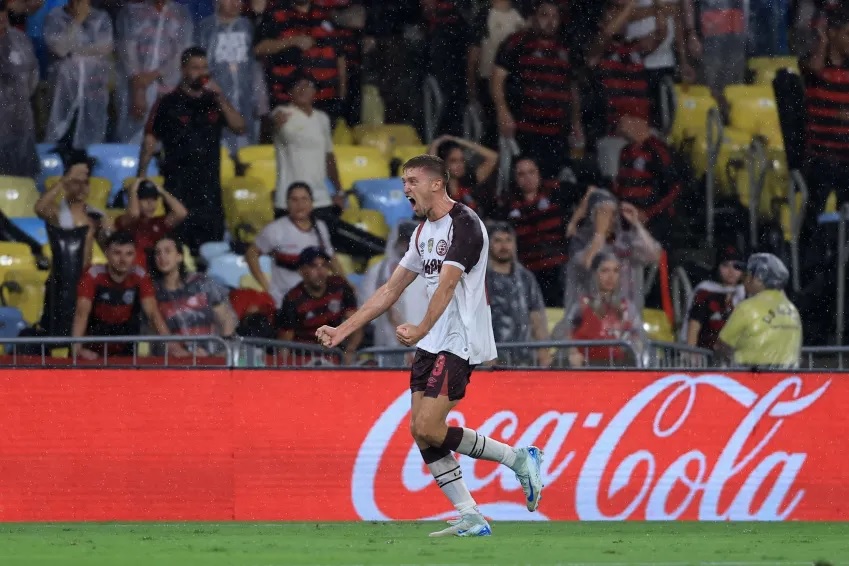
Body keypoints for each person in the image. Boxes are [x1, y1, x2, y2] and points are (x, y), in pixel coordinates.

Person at [315, 155, 544, 538]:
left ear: (437, 184)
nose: (405, 188)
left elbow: (449, 283)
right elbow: (391, 288)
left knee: (428, 425)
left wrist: (421, 327)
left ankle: (518, 458)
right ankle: (470, 513)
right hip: (434, 340)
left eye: (411, 181)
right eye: (404, 181)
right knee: (421, 431)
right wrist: (343, 329)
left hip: (460, 339)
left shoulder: (466, 225)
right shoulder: (423, 233)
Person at [139, 46, 246, 254]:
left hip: (209, 191)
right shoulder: (167, 102)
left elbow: (240, 127)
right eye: (195, 68)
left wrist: (220, 97)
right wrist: (141, 174)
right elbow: (150, 139)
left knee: (211, 249)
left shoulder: (214, 101)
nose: (201, 72)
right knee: (180, 248)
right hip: (178, 188)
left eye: (205, 67)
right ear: (183, 69)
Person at [491, 0, 582, 179]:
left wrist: (576, 121)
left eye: (555, 16)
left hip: (557, 131)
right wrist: (502, 111)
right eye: (545, 15)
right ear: (534, 17)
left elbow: (572, 88)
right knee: (524, 177)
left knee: (554, 181)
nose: (550, 21)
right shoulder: (517, 42)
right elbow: (497, 79)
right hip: (526, 128)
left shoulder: (566, 47)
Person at [71, 231, 189, 360]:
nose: (123, 259)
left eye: (129, 254)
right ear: (106, 253)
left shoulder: (140, 275)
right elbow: (81, 313)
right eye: (117, 253)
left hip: (125, 349)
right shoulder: (93, 275)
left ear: (135, 255)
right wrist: (77, 350)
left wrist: (173, 347)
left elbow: (153, 313)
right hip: (93, 349)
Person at [562, 188, 661, 315]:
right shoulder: (580, 241)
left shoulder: (626, 241)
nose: (609, 218)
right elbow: (586, 266)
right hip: (589, 319)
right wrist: (599, 235)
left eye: (613, 213)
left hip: (625, 319)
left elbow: (653, 255)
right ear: (592, 215)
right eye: (603, 212)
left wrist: (636, 224)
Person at [246, 182, 344, 307]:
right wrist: (267, 287)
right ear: (287, 204)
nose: (300, 205)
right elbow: (251, 254)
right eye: (294, 200)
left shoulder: (320, 227)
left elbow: (331, 259)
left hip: (317, 300)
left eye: (304, 199)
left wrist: (345, 283)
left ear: (311, 203)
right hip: (286, 301)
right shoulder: (276, 229)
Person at [801, 6, 849, 248]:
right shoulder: (815, 66)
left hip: (846, 159)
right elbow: (814, 68)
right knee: (814, 215)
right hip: (820, 158)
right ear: (833, 33)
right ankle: (806, 265)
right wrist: (822, 40)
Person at [114, 0, 193, 143]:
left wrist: (156, 74)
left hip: (167, 87)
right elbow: (127, 51)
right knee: (132, 138)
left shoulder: (181, 14)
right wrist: (139, 88)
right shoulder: (132, 12)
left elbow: (181, 53)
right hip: (134, 87)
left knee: (166, 137)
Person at [253, 0, 346, 118]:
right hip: (287, 103)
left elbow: (340, 57)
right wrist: (292, 41)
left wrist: (342, 96)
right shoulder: (276, 14)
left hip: (325, 102)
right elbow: (258, 48)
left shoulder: (326, 15)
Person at [271, 69, 342, 217]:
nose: (303, 89)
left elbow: (328, 156)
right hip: (289, 200)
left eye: (308, 85)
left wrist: (338, 191)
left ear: (315, 91)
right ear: (289, 92)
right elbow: (271, 124)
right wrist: (274, 123)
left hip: (321, 198)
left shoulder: (322, 118)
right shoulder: (281, 112)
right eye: (298, 86)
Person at [43, 0, 113, 148]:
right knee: (60, 142)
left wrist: (73, 52)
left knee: (92, 145)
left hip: (93, 94)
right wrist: (77, 21)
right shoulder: (55, 17)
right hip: (63, 95)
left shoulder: (101, 18)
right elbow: (60, 48)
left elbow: (104, 47)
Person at [151, 234, 238, 355]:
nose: (162, 256)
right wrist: (186, 355)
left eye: (167, 251)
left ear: (179, 257)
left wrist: (221, 352)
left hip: (213, 357)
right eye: (157, 253)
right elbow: (158, 333)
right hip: (176, 361)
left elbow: (226, 319)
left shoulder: (202, 282)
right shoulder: (153, 292)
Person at [715, 253, 802, 369]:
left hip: (752, 379)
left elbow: (721, 345)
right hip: (786, 380)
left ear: (758, 279)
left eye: (747, 275)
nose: (744, 279)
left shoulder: (747, 308)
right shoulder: (792, 310)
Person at [195, 0, 261, 154]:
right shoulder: (205, 28)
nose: (235, 3)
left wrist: (259, 100)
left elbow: (256, 67)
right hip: (215, 104)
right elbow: (197, 68)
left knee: (247, 155)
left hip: (247, 103)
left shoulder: (249, 27)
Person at [276, 246, 360, 365]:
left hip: (335, 357)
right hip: (303, 360)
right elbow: (285, 343)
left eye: (324, 265)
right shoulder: (292, 299)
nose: (320, 271)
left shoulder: (340, 287)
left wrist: (350, 350)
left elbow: (356, 323)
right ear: (302, 271)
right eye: (313, 266)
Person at [485, 221, 551, 367]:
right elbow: (472, 319)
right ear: (489, 244)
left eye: (508, 240)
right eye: (498, 241)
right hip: (491, 360)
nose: (504, 246)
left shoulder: (526, 278)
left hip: (524, 359)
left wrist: (543, 350)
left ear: (515, 245)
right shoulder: (481, 278)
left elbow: (536, 317)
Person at [562, 251, 644, 367]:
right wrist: (573, 353)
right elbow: (566, 334)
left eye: (615, 271)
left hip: (619, 369)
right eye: (605, 270)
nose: (611, 276)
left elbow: (638, 340)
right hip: (588, 370)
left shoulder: (627, 308)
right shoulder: (581, 305)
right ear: (595, 274)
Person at [611, 114, 682, 247]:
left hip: (654, 220)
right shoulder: (624, 152)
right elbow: (621, 185)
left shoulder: (658, 150)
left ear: (640, 123)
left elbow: (675, 188)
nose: (621, 126)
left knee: (655, 258)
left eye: (627, 121)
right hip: (628, 218)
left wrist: (648, 213)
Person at [359, 219, 428, 356]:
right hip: (388, 339)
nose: (406, 245)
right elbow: (365, 305)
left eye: (410, 240)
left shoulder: (429, 272)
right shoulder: (379, 270)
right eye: (404, 240)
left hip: (422, 341)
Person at [34, 149, 112, 267]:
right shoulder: (57, 212)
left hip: (85, 279)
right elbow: (39, 208)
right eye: (76, 182)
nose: (81, 188)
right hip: (62, 276)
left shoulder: (96, 216)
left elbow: (110, 251)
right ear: (67, 185)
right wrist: (65, 179)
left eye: (85, 183)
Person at [467, 0, 524, 147]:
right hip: (488, 81)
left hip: (517, 84)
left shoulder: (522, 14)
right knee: (493, 132)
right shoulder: (484, 15)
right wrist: (472, 88)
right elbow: (474, 54)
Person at [0, 0, 40, 179]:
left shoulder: (20, 39)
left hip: (22, 126)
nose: (1, 16)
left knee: (24, 182)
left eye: (2, 10)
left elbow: (32, 78)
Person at [115, 178, 188, 270]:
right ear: (135, 200)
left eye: (154, 199)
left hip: (158, 273)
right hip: (134, 274)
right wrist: (133, 191)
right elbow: (134, 214)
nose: (151, 204)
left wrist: (161, 191)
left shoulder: (158, 222)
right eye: (145, 199)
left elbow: (181, 213)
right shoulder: (127, 221)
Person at [682, 245, 745, 351]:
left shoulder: (747, 293)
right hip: (708, 357)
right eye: (725, 265)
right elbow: (694, 326)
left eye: (736, 266)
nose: (731, 271)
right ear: (718, 267)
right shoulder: (705, 293)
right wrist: (691, 354)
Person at [428, 134, 499, 213]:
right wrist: (436, 143)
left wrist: (459, 140)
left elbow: (493, 157)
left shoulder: (470, 180)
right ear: (443, 164)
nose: (459, 165)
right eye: (453, 161)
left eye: (462, 160)